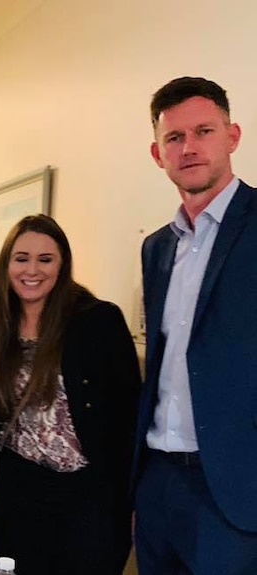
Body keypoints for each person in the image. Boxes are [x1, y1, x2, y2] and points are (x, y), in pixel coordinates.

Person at [135, 76, 257, 574]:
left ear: (232, 136)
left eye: (203, 131)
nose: (189, 148)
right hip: (158, 480)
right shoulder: (156, 247)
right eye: (174, 138)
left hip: (232, 490)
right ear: (157, 153)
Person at [0, 215, 140, 575]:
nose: (31, 270)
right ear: (6, 265)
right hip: (20, 491)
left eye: (45, 259)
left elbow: (131, 416)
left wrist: (135, 499)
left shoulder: (98, 321)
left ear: (62, 264)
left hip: (87, 495)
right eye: (21, 259)